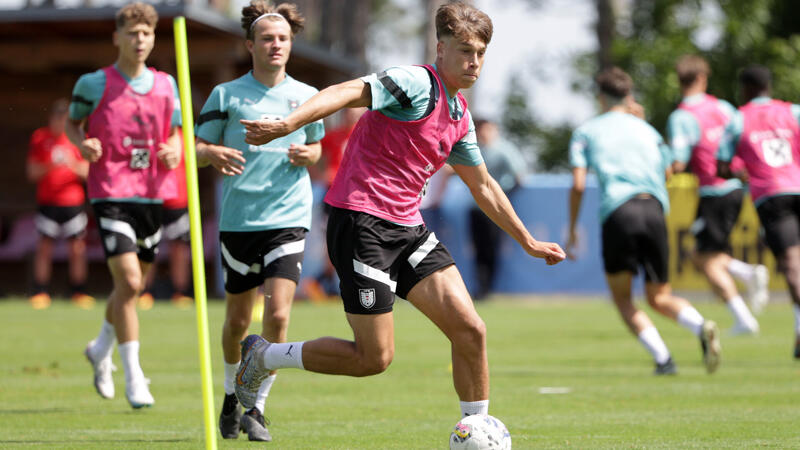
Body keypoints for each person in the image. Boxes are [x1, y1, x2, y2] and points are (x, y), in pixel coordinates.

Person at [230, 1, 565, 427]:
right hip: (361, 223)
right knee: (374, 358)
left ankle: (476, 430)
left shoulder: (460, 116)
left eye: (480, 52)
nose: (473, 61)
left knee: (470, 330)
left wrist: (528, 241)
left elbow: (483, 185)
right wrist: (288, 123)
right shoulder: (415, 82)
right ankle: (264, 354)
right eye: (464, 50)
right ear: (440, 49)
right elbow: (346, 91)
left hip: (408, 228)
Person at [194, 1, 323, 441]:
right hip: (239, 221)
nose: (275, 45)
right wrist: (211, 152)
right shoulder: (226, 95)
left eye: (283, 39)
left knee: (280, 315)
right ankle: (233, 393)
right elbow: (196, 148)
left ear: (290, 45)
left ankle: (258, 409)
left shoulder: (307, 96)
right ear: (250, 44)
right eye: (267, 38)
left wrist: (310, 154)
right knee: (236, 322)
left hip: (287, 216)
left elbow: (318, 148)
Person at [566, 67, 721, 375]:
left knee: (624, 300)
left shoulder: (587, 131)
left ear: (600, 97)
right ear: (629, 95)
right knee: (660, 296)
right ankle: (700, 324)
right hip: (653, 210)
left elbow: (579, 183)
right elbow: (668, 170)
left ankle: (664, 359)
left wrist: (572, 230)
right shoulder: (647, 130)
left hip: (618, 212)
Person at [65, 2, 182, 408]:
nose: (139, 40)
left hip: (151, 194)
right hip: (111, 192)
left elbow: (177, 134)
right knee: (130, 283)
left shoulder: (167, 85)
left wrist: (174, 150)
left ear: (153, 38)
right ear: (117, 37)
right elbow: (72, 123)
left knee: (131, 287)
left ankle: (100, 348)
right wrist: (82, 143)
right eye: (132, 34)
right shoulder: (93, 84)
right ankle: (135, 376)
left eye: (146, 34)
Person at [666, 55, 766, 334]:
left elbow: (679, 161)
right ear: (702, 78)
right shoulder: (723, 108)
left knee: (704, 260)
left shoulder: (682, 116)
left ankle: (744, 317)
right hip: (735, 187)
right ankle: (747, 274)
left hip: (714, 191)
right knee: (707, 255)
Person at [717, 65, 800, 359]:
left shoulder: (739, 118)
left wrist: (745, 170)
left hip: (771, 195)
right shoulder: (793, 111)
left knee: (792, 263)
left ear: (746, 89)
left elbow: (722, 165)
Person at [26, 98, 94, 310]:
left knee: (77, 249)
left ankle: (78, 291)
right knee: (44, 248)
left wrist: (71, 164)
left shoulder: (79, 138)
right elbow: (31, 172)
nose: (60, 123)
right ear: (51, 119)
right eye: (57, 118)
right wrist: (50, 164)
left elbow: (89, 173)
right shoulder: (40, 138)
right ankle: (40, 291)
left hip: (73, 204)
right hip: (48, 203)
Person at [469, 118, 527, 300]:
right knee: (479, 249)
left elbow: (519, 176)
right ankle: (481, 287)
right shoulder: (475, 149)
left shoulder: (504, 150)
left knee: (491, 249)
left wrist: (502, 198)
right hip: (477, 207)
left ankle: (488, 288)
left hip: (495, 208)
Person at [139, 129, 192, 310]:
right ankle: (145, 292)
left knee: (180, 248)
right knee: (148, 247)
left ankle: (181, 292)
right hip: (151, 200)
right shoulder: (147, 136)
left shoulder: (186, 138)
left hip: (178, 201)